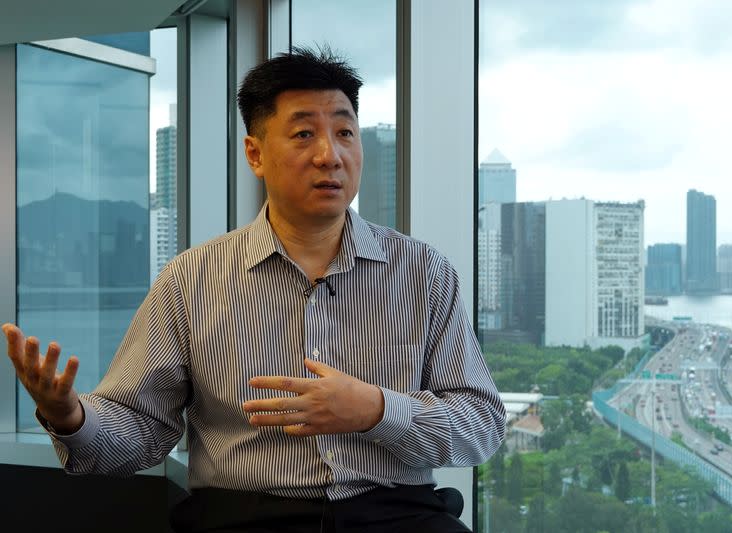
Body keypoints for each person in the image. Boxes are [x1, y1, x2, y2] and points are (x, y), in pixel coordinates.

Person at [2, 46, 505, 533]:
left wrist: (375, 409)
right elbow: (141, 426)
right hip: (244, 516)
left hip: (399, 514)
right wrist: (68, 415)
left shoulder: (424, 271)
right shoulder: (191, 279)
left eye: (345, 132)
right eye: (304, 134)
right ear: (255, 153)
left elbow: (481, 425)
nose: (330, 155)